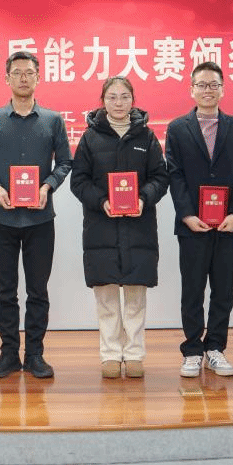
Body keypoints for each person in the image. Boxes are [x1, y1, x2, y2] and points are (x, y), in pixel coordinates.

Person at [0, 50, 73, 379]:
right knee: (5, 292)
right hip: (0, 218)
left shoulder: (53, 120)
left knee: (37, 291)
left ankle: (35, 354)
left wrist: (47, 186)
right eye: (16, 73)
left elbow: (65, 162)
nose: (23, 78)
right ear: (6, 78)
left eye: (29, 72)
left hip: (40, 220)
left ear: (38, 77)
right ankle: (8, 354)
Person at [69, 76, 169, 378]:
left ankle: (135, 353)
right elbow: (78, 181)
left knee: (136, 296)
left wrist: (143, 198)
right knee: (107, 296)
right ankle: (111, 354)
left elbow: (160, 177)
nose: (118, 102)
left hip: (139, 226)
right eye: (112, 97)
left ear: (133, 100)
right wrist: (101, 202)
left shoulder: (146, 137)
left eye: (124, 96)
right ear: (103, 101)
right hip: (101, 226)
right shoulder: (90, 138)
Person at [165, 61, 233, 378]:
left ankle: (215, 347)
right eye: (201, 85)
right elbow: (174, 175)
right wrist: (187, 214)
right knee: (192, 290)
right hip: (192, 226)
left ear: (222, 89)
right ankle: (192, 349)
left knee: (223, 290)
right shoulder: (177, 128)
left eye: (213, 84)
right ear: (192, 89)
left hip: (228, 225)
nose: (207, 90)